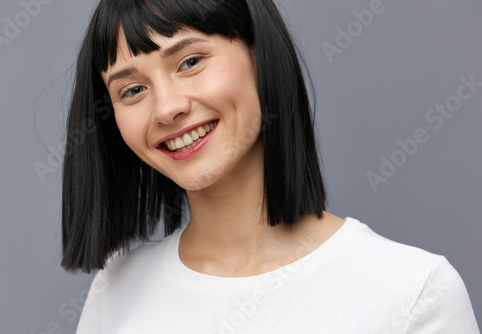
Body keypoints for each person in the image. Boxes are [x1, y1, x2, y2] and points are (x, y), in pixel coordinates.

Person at [61, 0, 480, 332]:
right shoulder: (116, 288)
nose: (167, 108)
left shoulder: (414, 293)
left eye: (190, 62)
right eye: (133, 89)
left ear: (259, 54)